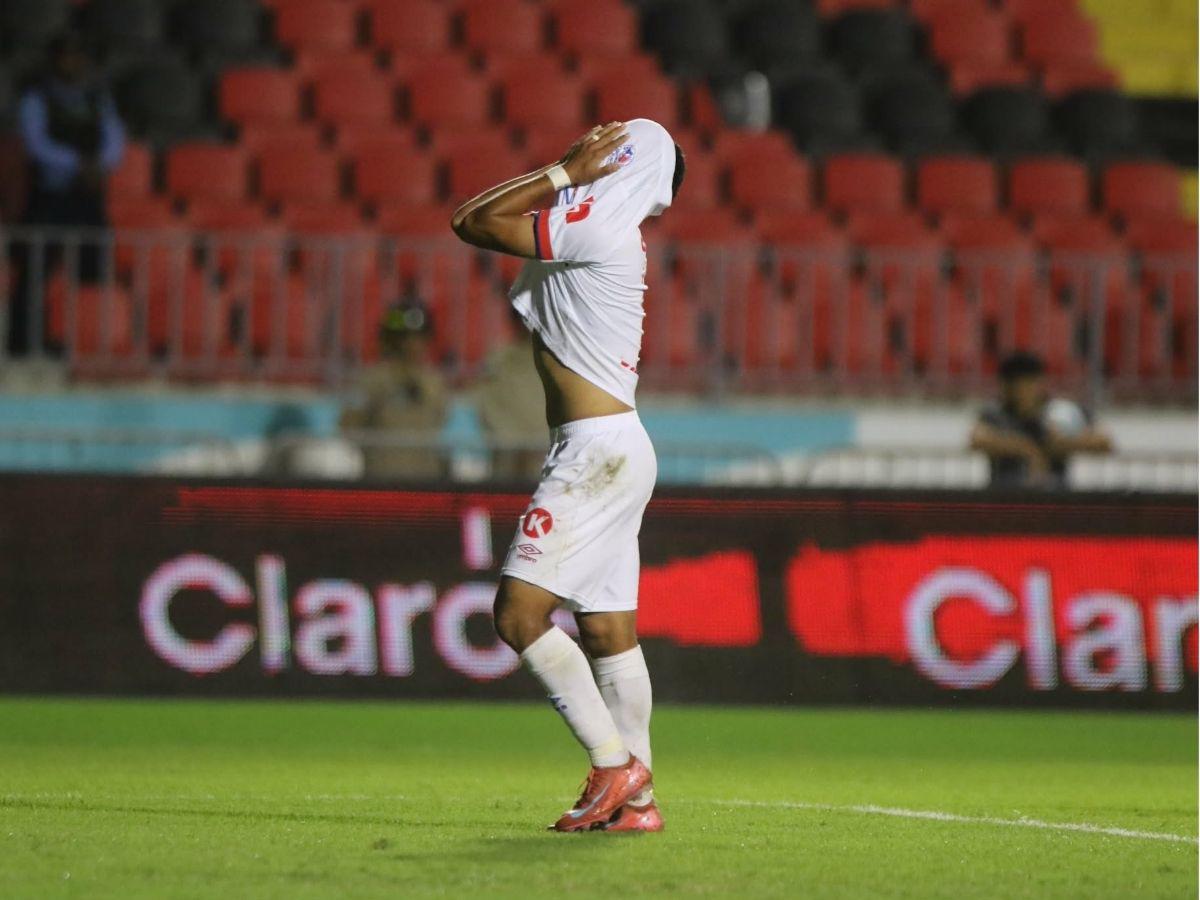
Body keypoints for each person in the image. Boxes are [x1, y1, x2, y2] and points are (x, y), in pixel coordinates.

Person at [451, 120, 685, 833]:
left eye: (610, 139)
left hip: (596, 452)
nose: (594, 139)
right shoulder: (602, 227)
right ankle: (638, 805)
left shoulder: (595, 225)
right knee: (608, 629)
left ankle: (614, 765)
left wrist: (562, 169)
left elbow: (472, 221)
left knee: (517, 616)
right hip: (610, 446)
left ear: (625, 159)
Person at [9, 30, 125, 356]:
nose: (72, 62)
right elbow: (36, 144)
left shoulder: (97, 98)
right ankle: (24, 343)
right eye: (65, 55)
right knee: (34, 271)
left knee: (93, 271)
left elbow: (114, 141)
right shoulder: (36, 98)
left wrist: (99, 164)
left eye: (77, 55)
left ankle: (85, 344)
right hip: (49, 196)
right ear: (54, 60)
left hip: (87, 199)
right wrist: (77, 164)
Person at [969, 351, 1113, 488]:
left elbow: (1103, 441)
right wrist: (1026, 448)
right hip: (1007, 496)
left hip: (1056, 495)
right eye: (1016, 385)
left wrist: (1062, 444)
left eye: (1028, 383)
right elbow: (977, 439)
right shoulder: (994, 413)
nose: (1023, 391)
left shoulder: (1060, 411)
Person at [339, 303, 448, 481]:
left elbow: (440, 421)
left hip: (425, 481)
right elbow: (349, 425)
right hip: (382, 481)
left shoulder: (434, 383)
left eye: (419, 337)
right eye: (405, 338)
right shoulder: (371, 381)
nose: (413, 344)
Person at [472, 308, 550, 480]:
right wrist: (513, 443)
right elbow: (488, 408)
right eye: (523, 317)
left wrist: (539, 443)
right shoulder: (498, 361)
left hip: (542, 458)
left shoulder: (555, 361)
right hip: (507, 458)